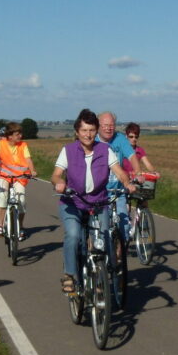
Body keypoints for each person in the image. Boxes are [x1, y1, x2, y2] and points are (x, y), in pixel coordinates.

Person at [52, 109, 135, 296]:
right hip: (72, 203)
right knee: (74, 236)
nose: (88, 134)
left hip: (98, 204)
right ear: (77, 132)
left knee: (103, 241)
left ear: (96, 131)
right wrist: (59, 182)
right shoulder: (68, 151)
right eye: (84, 130)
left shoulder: (104, 150)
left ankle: (100, 278)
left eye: (91, 130)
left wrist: (127, 183)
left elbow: (119, 170)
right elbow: (56, 174)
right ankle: (70, 275)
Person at [0, 122, 36, 239]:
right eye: (17, 134)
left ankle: (20, 226)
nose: (20, 136)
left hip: (20, 177)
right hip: (4, 176)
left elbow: (28, 160)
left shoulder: (23, 145)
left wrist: (33, 170)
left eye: (20, 133)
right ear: (10, 136)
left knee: (21, 201)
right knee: (2, 197)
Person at [97, 112, 139, 242]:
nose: (109, 128)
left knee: (124, 227)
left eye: (112, 125)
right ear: (98, 126)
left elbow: (132, 156)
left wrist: (138, 172)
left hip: (118, 191)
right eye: (105, 125)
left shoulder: (120, 139)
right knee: (100, 229)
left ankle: (119, 259)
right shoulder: (93, 141)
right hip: (99, 192)